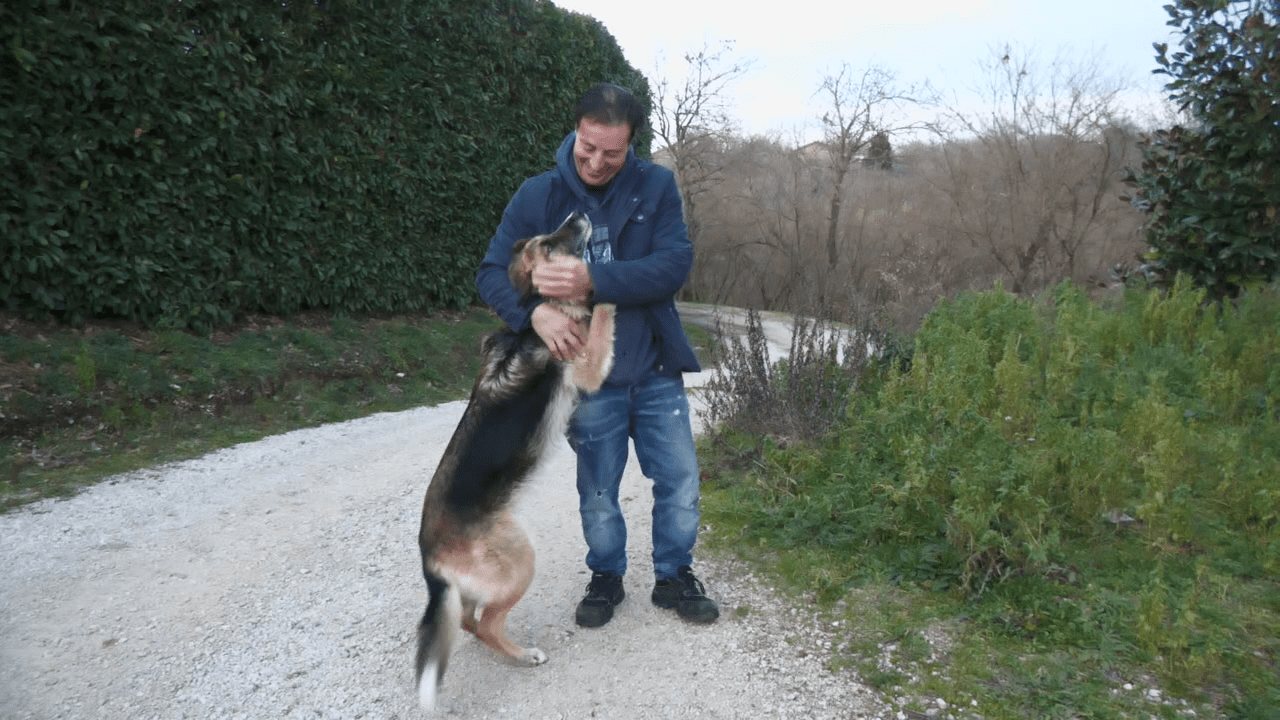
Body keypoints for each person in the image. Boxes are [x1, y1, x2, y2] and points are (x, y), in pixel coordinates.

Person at [475, 82, 719, 627]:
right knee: (599, 489)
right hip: (586, 380)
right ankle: (606, 574)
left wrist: (595, 278)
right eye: (588, 147)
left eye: (612, 152)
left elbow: (674, 264)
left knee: (679, 480)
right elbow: (491, 272)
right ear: (577, 131)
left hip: (654, 368)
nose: (596, 161)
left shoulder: (655, 186)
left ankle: (674, 574)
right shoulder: (539, 195)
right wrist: (531, 314)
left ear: (631, 142)